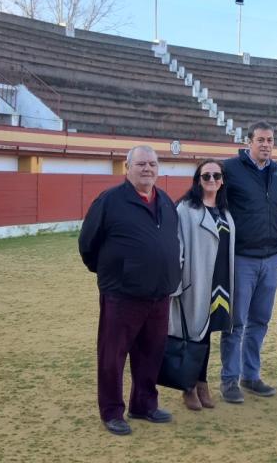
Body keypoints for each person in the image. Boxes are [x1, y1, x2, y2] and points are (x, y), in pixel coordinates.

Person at [78, 145, 181, 436]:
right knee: (113, 355)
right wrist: (113, 274)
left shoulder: (165, 201)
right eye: (141, 164)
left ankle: (144, 404)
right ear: (127, 167)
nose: (147, 168)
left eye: (152, 164)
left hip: (159, 294)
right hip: (122, 294)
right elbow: (88, 244)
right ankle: (112, 411)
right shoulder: (110, 201)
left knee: (151, 353)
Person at [219, 121, 277, 403]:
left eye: (270, 140)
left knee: (260, 320)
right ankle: (229, 379)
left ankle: (251, 375)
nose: (266, 144)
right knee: (236, 322)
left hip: (271, 258)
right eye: (261, 140)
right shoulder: (229, 169)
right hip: (242, 257)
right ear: (249, 142)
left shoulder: (276, 170)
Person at [171, 159, 236, 411]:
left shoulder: (225, 209)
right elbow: (177, 247)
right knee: (193, 335)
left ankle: (202, 383)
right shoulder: (185, 209)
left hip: (219, 281)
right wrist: (177, 283)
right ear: (198, 180)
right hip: (195, 281)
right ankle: (187, 387)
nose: (212, 180)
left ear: (222, 181)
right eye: (206, 176)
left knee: (206, 334)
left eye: (216, 176)